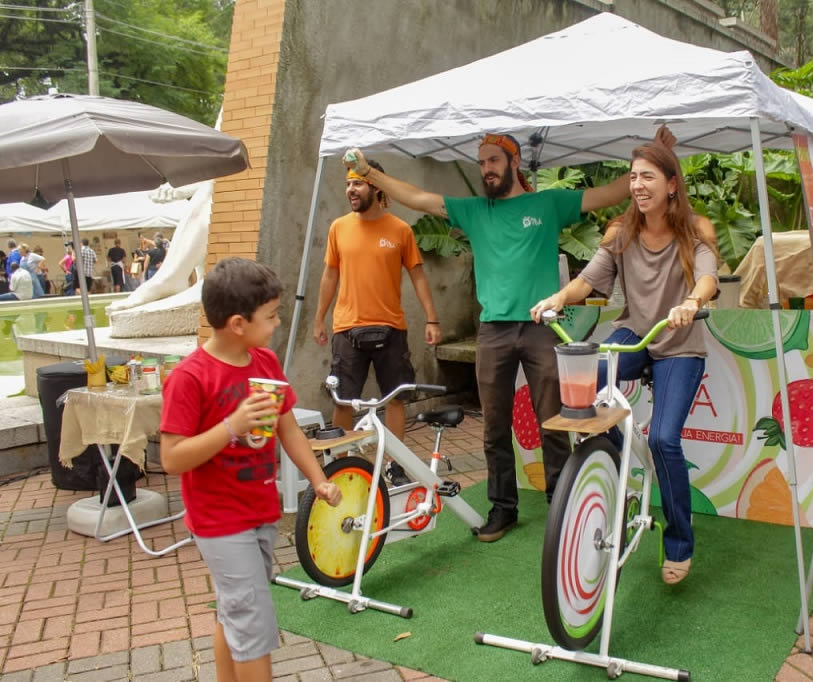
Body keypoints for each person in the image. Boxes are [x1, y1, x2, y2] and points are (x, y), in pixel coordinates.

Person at [343, 125, 677, 542]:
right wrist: (371, 175)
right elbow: (419, 198)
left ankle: (561, 500)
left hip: (544, 327)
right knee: (494, 426)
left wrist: (656, 158)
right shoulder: (473, 211)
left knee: (555, 420)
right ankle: (503, 509)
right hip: (494, 332)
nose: (486, 169)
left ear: (514, 163)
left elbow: (611, 193)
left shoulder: (549, 203)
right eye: (481, 162)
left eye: (493, 161)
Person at [530, 143, 719, 585]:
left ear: (672, 185)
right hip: (635, 334)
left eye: (648, 176)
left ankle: (678, 544)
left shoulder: (693, 231)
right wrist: (557, 298)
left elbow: (708, 276)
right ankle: (616, 460)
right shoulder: (621, 233)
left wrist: (691, 302)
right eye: (633, 177)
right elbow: (587, 280)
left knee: (665, 441)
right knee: (581, 382)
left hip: (679, 342)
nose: (637, 185)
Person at [160, 257, 341, 682]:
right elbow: (171, 458)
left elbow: (288, 428)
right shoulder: (190, 378)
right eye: (272, 315)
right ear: (238, 323)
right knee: (254, 624)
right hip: (220, 521)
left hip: (258, 511)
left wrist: (319, 481)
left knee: (235, 612)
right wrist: (231, 427)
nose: (277, 323)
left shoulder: (263, 364)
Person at [312, 159, 440, 486]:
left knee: (395, 397)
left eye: (357, 183)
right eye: (348, 184)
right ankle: (342, 465)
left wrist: (431, 318)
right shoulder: (338, 228)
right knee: (342, 400)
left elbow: (418, 276)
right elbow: (329, 275)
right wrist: (319, 319)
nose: (350, 190)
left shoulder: (400, 230)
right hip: (346, 329)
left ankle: (395, 465)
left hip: (391, 329)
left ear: (376, 185)